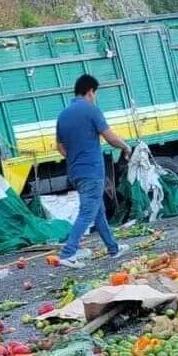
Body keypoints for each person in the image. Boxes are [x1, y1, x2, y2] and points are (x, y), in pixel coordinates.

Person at [55, 74, 132, 269]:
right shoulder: (91, 110)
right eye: (95, 93)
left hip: (75, 170)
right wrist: (125, 147)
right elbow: (110, 138)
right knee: (88, 211)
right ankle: (68, 253)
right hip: (91, 170)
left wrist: (75, 156)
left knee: (98, 211)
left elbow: (61, 148)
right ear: (90, 91)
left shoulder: (63, 115)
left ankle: (113, 248)